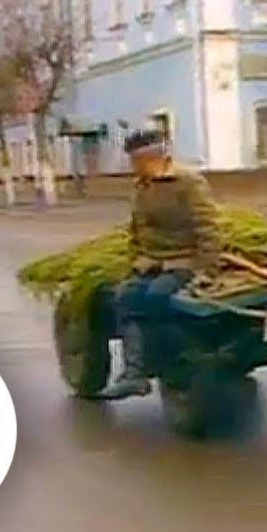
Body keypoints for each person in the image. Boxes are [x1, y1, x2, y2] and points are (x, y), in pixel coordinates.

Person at [95, 127, 224, 400]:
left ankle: (174, 365)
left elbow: (209, 229)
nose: (133, 168)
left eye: (135, 162)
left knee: (157, 298)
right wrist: (136, 260)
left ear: (152, 158)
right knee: (126, 297)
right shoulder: (142, 185)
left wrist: (204, 271)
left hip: (183, 262)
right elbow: (136, 230)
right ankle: (135, 375)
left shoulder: (188, 182)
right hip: (150, 263)